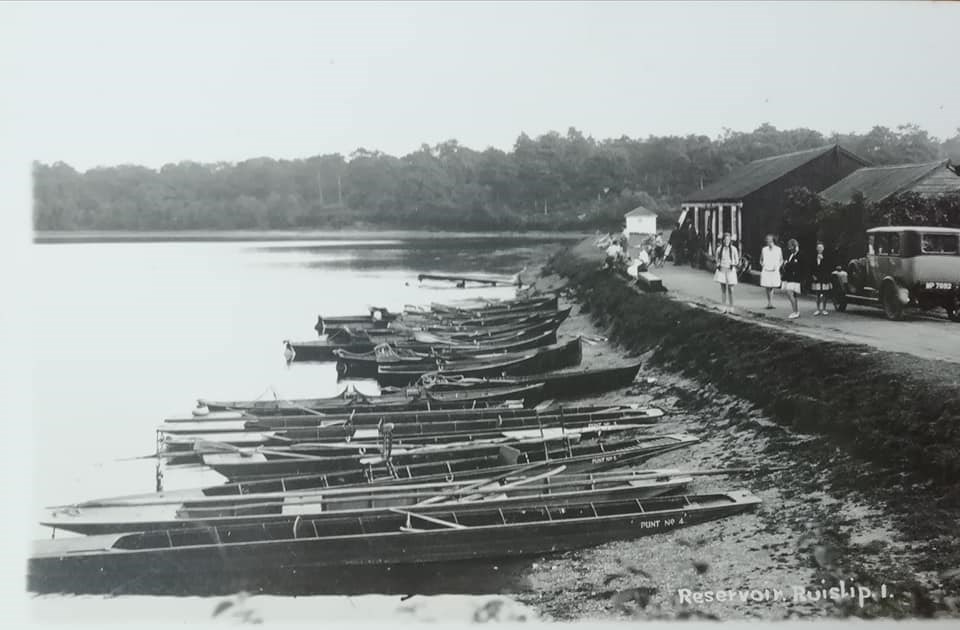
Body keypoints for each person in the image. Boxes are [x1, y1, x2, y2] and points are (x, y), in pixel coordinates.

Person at [713, 232, 740, 313]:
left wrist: (733, 264)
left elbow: (737, 260)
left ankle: (731, 307)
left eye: (728, 239)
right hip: (722, 270)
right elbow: (716, 259)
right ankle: (724, 306)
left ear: (730, 240)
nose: (727, 241)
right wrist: (718, 265)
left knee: (731, 289)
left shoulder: (734, 249)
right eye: (725, 240)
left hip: (730, 271)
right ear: (723, 240)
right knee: (723, 290)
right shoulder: (719, 249)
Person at [759, 234, 784, 309]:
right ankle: (769, 302)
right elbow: (761, 259)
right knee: (767, 286)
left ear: (772, 240)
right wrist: (763, 264)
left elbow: (781, 260)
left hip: (774, 270)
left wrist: (778, 267)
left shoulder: (778, 249)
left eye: (769, 240)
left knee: (772, 286)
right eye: (767, 240)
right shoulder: (764, 249)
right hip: (766, 269)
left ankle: (771, 302)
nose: (767, 241)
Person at [781, 238, 803, 319]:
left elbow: (797, 266)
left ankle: (795, 311)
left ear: (795, 246)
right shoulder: (791, 255)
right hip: (789, 277)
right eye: (789, 246)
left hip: (795, 278)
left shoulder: (800, 255)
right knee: (792, 294)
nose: (790, 248)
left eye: (791, 246)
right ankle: (796, 311)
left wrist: (788, 264)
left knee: (790, 293)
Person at [809, 241, 831, 316]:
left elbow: (829, 267)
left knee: (825, 293)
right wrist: (813, 275)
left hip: (824, 278)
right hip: (817, 277)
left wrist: (823, 259)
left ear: (823, 248)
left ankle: (824, 309)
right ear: (816, 249)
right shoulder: (813, 257)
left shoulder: (827, 257)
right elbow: (811, 267)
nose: (819, 249)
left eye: (821, 247)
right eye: (818, 248)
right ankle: (818, 309)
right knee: (818, 294)